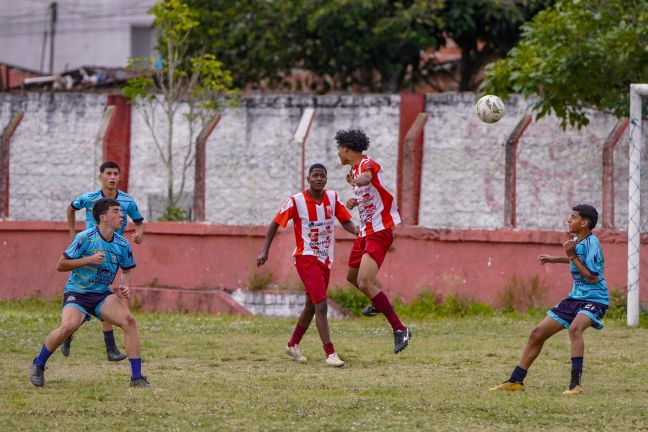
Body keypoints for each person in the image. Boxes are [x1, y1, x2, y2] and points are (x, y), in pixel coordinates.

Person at [29, 198, 152, 388]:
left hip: (101, 295)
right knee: (67, 327)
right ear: (103, 217)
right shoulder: (85, 238)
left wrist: (126, 285)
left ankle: (136, 378)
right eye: (116, 211)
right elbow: (61, 265)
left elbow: (126, 271)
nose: (121, 215)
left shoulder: (122, 244)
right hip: (77, 293)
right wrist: (88, 260)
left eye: (121, 211)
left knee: (129, 321)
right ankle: (38, 364)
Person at [490, 204, 607, 395]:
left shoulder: (593, 243)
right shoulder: (577, 240)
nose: (568, 220)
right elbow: (577, 259)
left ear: (584, 223)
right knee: (537, 333)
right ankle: (516, 380)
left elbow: (592, 277)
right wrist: (556, 259)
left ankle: (575, 384)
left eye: (573, 217)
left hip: (595, 299)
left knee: (575, 328)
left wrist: (571, 256)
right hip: (575, 298)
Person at [256, 164, 357, 367]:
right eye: (315, 176)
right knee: (321, 303)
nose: (319, 179)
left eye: (322, 176)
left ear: (326, 179)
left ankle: (292, 344)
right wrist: (265, 251)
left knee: (311, 305)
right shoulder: (296, 201)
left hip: (325, 259)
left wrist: (359, 232)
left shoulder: (333, 198)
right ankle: (330, 353)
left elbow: (345, 221)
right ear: (308, 179)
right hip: (306, 257)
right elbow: (275, 223)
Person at [335, 129, 411, 353]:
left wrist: (359, 180)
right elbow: (369, 193)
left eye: (339, 149)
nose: (338, 153)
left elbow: (368, 177)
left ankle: (400, 329)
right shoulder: (353, 171)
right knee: (352, 277)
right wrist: (354, 200)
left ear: (347, 149)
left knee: (365, 282)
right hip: (365, 232)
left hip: (379, 231)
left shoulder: (366, 164)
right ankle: (382, 302)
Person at [64, 161, 144, 361]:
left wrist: (139, 233)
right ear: (100, 176)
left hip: (113, 247)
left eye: (116, 173)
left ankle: (73, 330)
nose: (113, 177)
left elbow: (139, 221)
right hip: (91, 249)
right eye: (108, 173)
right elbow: (71, 208)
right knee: (99, 291)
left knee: (102, 292)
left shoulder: (127, 200)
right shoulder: (89, 198)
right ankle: (105, 345)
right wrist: (73, 233)